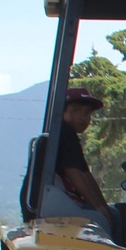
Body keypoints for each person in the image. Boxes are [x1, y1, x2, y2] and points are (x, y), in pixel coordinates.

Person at [49, 86, 115, 235]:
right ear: (63, 112)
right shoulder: (64, 133)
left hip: (59, 200)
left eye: (87, 113)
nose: (82, 117)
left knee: (113, 214)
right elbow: (73, 172)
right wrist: (99, 208)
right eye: (75, 111)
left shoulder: (68, 135)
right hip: (57, 205)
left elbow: (85, 173)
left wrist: (103, 206)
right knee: (104, 219)